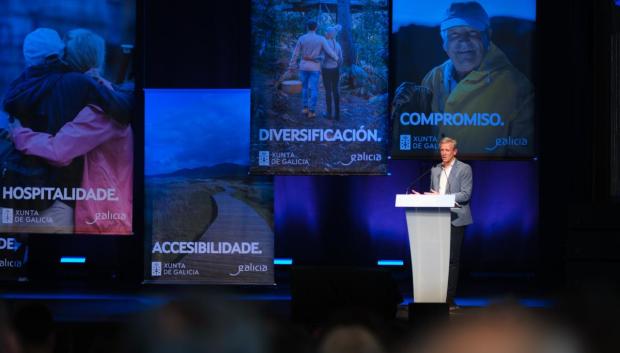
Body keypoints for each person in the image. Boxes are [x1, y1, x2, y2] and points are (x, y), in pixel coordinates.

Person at [2, 28, 132, 233]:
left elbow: (59, 151)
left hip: (101, 216)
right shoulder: (101, 95)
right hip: (101, 211)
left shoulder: (99, 111)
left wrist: (19, 134)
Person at [419, 1, 534, 155]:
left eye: (473, 32)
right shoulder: (433, 78)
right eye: (454, 34)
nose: (464, 40)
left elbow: (522, 157)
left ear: (488, 36)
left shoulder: (517, 87)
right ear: (445, 43)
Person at [424, 137, 472, 309]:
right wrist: (423, 198)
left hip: (456, 220)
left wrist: (442, 198)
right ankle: (435, 296)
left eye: (447, 150)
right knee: (437, 260)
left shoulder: (465, 169)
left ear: (454, 152)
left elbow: (466, 194)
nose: (443, 153)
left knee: (451, 261)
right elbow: (434, 193)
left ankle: (449, 299)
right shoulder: (435, 170)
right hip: (437, 219)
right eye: (442, 150)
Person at [289, 20, 339, 119]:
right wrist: (336, 58)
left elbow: (295, 53)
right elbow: (328, 51)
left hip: (303, 66)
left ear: (308, 27)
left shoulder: (302, 38)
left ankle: (305, 108)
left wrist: (292, 65)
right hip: (315, 67)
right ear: (316, 28)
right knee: (314, 89)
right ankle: (312, 111)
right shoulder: (321, 39)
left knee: (304, 88)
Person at [321, 25, 343, 120]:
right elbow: (341, 59)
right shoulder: (337, 44)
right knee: (335, 90)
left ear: (328, 34)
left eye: (326, 31)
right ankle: (337, 114)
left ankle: (329, 114)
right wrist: (338, 66)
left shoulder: (324, 44)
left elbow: (322, 58)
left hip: (326, 69)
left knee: (328, 91)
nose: (325, 33)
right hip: (335, 70)